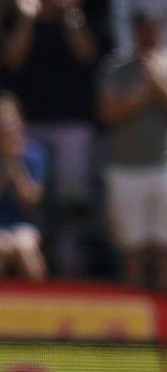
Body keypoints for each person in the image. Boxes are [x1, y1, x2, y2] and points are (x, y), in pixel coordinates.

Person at [95, 5, 167, 293]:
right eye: (141, 27)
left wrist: (155, 79)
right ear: (133, 31)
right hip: (125, 168)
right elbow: (108, 112)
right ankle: (137, 323)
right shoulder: (115, 65)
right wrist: (146, 89)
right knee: (132, 249)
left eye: (152, 26)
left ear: (161, 29)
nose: (147, 33)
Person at [0, 0, 111, 276]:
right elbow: (12, 57)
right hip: (24, 126)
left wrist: (69, 15)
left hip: (72, 125)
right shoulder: (20, 16)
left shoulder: (81, 15)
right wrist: (26, 20)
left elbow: (86, 53)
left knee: (72, 202)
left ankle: (71, 268)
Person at [0, 90, 47, 281]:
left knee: (25, 250)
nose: (6, 127)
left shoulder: (34, 154)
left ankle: (39, 307)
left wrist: (16, 169)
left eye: (10, 121)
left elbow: (31, 203)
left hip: (23, 224)